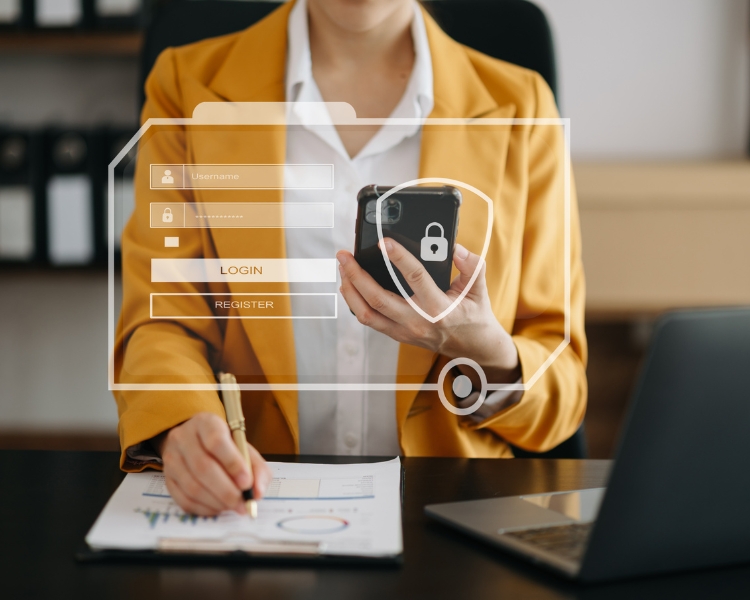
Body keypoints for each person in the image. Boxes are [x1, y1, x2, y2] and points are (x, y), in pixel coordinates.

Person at [115, 0, 587, 516]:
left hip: (450, 515)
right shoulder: (186, 84)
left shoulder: (521, 106)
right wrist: (182, 421)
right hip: (257, 505)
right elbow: (163, 320)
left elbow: (561, 378)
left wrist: (487, 354)